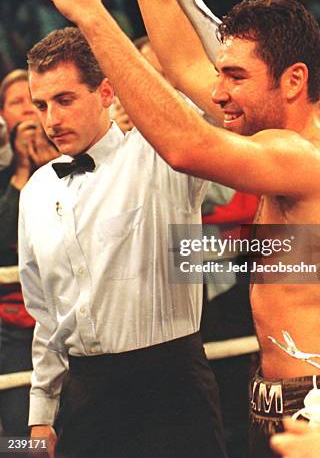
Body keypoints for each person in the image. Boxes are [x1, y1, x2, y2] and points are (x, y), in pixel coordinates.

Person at [45, 0, 320, 457]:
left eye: (235, 78)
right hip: (276, 397)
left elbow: (186, 146)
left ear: (294, 80)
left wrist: (93, 18)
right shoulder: (272, 138)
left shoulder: (315, 163)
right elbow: (179, 64)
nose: (218, 92)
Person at [18, 28, 226, 457]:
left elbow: (216, 86)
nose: (51, 120)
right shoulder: (37, 190)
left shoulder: (161, 155)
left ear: (107, 91)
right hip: (84, 394)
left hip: (171, 390)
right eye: (41, 105)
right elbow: (46, 315)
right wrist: (41, 415)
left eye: (65, 99)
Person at [0, 69, 58, 436]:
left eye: (33, 102)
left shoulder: (76, 167)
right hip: (12, 325)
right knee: (19, 433)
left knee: (73, 428)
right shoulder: (4, 177)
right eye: (16, 103)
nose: (26, 112)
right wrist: (21, 172)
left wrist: (48, 164)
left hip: (69, 321)